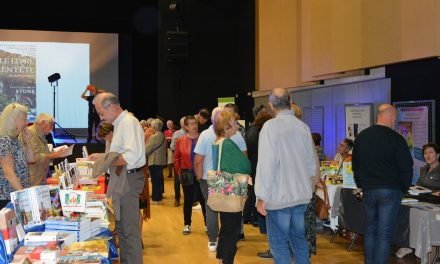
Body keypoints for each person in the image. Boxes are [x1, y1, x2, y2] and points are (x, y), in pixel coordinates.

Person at [255, 88, 317, 264]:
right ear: (290, 102)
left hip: (278, 198)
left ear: (271, 105)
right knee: (299, 241)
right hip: (300, 197)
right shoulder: (303, 127)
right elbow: (311, 166)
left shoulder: (270, 128)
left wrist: (262, 196)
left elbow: (266, 166)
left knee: (279, 243)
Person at [88, 93, 146, 264]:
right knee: (122, 230)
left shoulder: (128, 122)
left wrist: (105, 160)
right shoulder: (120, 123)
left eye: (100, 113)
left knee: (129, 232)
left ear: (110, 106)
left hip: (128, 180)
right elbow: (119, 154)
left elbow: (131, 157)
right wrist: (103, 156)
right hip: (123, 179)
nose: (101, 117)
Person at [352, 104, 413, 264]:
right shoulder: (396, 139)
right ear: (392, 118)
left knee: (370, 230)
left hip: (369, 190)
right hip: (390, 191)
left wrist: (361, 184)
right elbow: (406, 166)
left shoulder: (362, 137)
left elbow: (355, 165)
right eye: (395, 119)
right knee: (384, 234)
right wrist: (404, 188)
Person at [194, 106, 247, 252]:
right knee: (230, 209)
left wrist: (199, 177)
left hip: (208, 176)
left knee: (211, 207)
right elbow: (244, 158)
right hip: (231, 178)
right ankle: (230, 240)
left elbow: (198, 159)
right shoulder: (236, 136)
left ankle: (213, 240)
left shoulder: (205, 135)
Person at [212, 110, 251, 264]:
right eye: (235, 122)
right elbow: (245, 165)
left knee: (226, 227)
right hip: (231, 190)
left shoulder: (217, 142)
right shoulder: (228, 143)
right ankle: (227, 260)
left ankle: (222, 258)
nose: (237, 124)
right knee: (233, 230)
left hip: (223, 187)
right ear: (227, 127)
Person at [394, 142, 440, 258]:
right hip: (422, 200)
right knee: (404, 210)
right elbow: (419, 185)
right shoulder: (424, 169)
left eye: (431, 152)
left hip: (435, 204)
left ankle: (418, 247)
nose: (427, 155)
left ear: (438, 155)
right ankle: (407, 244)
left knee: (418, 215)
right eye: (425, 153)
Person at [174, 115, 206, 235]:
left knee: (204, 200)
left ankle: (208, 224)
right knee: (188, 200)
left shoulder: (203, 138)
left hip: (202, 174)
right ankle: (187, 224)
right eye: (191, 124)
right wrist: (179, 172)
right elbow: (176, 158)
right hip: (187, 173)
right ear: (186, 127)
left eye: (195, 123)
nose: (194, 126)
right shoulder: (180, 140)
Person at [0, 103, 35, 209]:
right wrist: (24, 197)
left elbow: (31, 159)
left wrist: (27, 141)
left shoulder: (15, 139)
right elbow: (9, 174)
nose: (26, 123)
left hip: (16, 195)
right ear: (13, 120)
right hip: (8, 199)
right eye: (24, 119)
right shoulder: (4, 141)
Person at [19, 113, 69, 186]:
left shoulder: (41, 134)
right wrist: (55, 154)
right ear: (43, 123)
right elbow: (34, 158)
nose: (52, 128)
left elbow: (46, 154)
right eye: (51, 124)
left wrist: (57, 154)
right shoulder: (30, 133)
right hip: (32, 181)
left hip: (40, 178)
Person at [145, 118, 167, 205]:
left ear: (154, 126)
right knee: (158, 180)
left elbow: (147, 149)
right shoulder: (162, 135)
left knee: (155, 181)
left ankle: (156, 199)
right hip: (160, 160)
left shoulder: (154, 136)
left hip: (154, 160)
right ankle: (158, 198)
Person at [170, 117, 187, 207]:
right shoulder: (176, 134)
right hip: (179, 161)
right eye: (185, 123)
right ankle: (177, 199)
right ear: (181, 124)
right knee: (177, 181)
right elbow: (172, 146)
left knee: (188, 180)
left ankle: (188, 199)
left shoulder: (192, 133)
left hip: (188, 161)